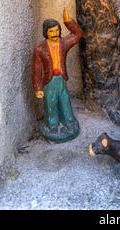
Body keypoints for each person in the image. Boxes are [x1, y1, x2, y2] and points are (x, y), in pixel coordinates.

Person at [32, 7, 83, 142]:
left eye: (57, 30)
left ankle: (69, 121)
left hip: (61, 79)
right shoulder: (40, 49)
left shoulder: (63, 43)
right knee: (51, 102)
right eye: (51, 31)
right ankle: (53, 124)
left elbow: (77, 35)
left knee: (65, 100)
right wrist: (38, 88)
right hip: (49, 81)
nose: (54, 33)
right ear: (46, 32)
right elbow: (37, 69)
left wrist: (68, 21)